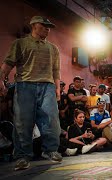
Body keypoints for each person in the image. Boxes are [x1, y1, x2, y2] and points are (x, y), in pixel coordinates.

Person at [0, 16, 62, 170]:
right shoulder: (20, 43)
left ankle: (50, 150)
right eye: (44, 25)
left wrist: (57, 88)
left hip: (47, 86)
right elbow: (8, 63)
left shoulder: (53, 48)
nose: (47, 29)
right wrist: (1, 80)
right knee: (23, 122)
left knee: (51, 119)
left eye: (49, 26)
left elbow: (56, 71)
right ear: (34, 25)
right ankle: (22, 156)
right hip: (25, 85)